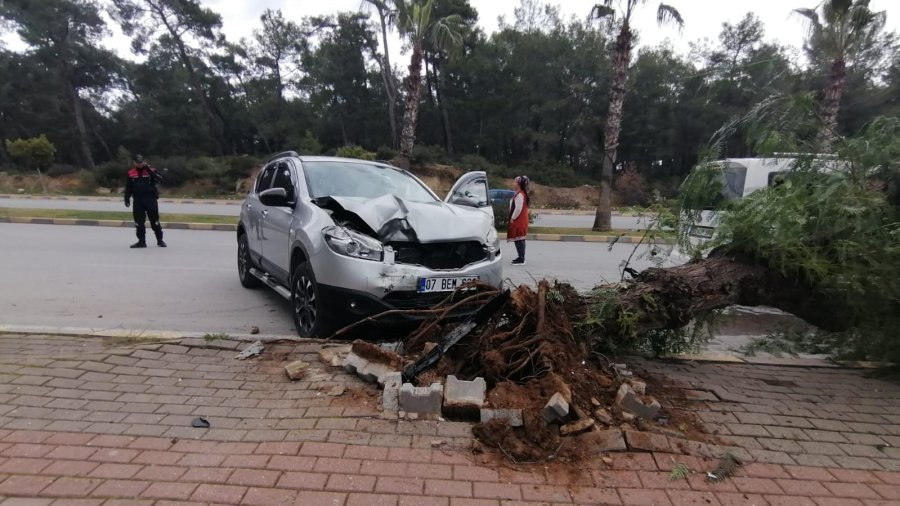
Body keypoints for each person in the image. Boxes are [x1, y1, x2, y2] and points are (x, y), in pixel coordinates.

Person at [124, 154, 166, 248]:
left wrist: (148, 169)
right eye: (138, 162)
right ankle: (141, 242)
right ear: (134, 163)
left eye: (141, 162)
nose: (140, 164)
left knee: (154, 221)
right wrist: (126, 199)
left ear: (144, 161)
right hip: (138, 200)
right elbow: (128, 187)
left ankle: (160, 240)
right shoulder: (131, 173)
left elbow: (159, 179)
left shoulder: (151, 170)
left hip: (150, 199)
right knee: (139, 222)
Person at [508, 175, 530, 265]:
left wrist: (512, 218)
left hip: (519, 220)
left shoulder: (520, 195)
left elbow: (518, 209)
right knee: (519, 239)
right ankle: (521, 257)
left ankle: (521, 259)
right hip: (520, 219)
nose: (513, 183)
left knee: (519, 239)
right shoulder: (520, 194)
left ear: (519, 184)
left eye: (515, 182)